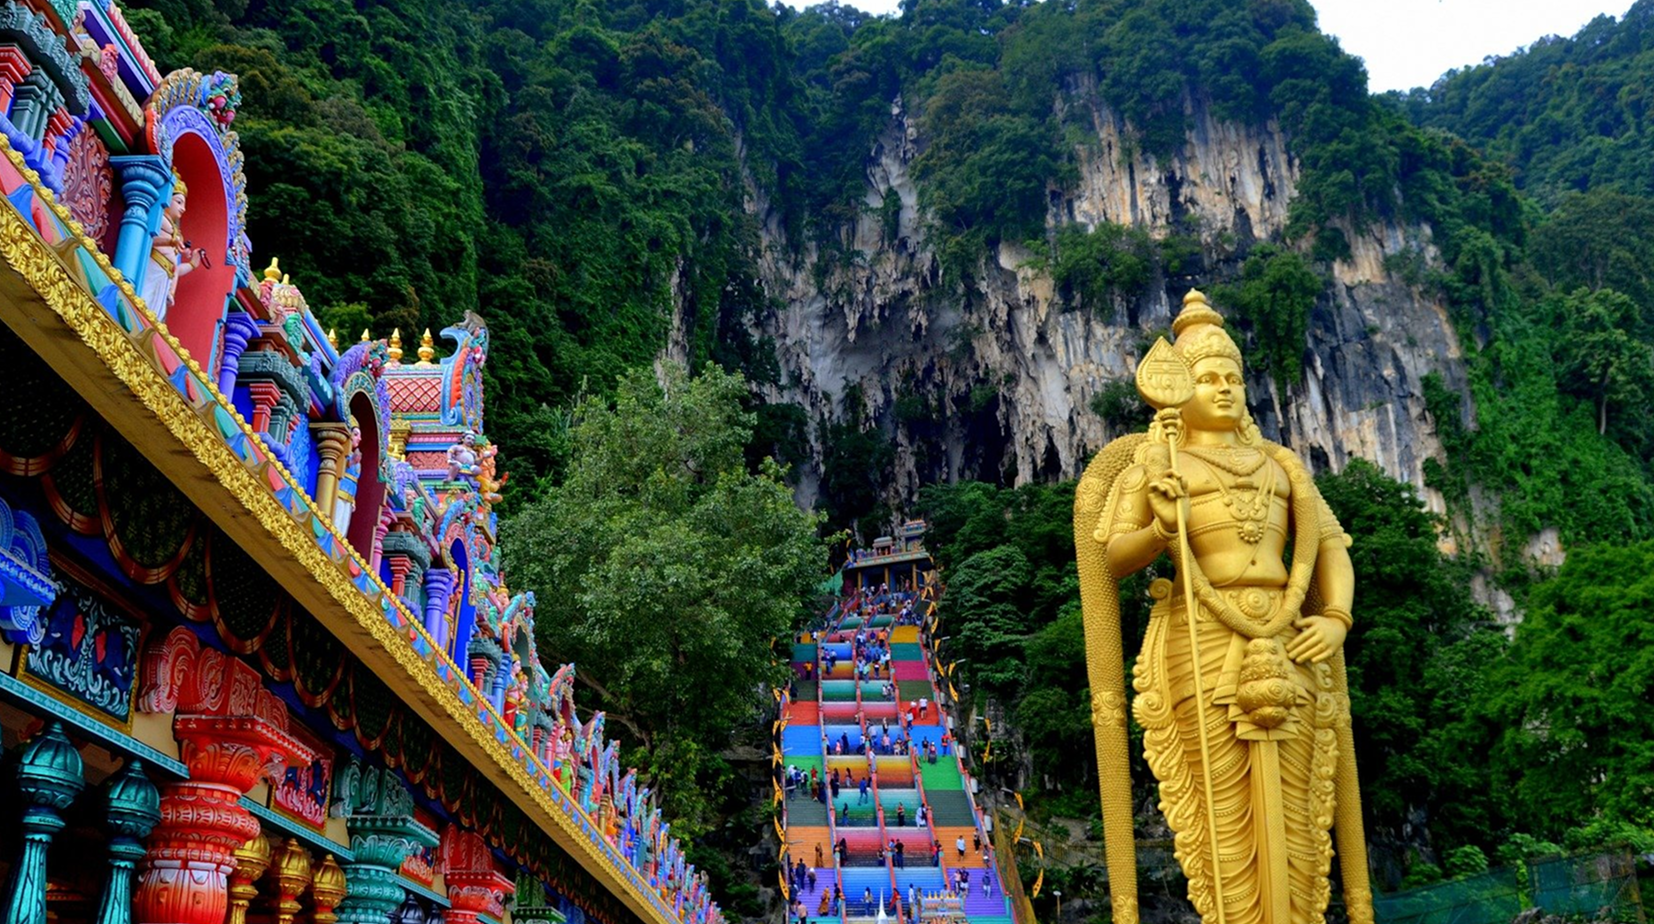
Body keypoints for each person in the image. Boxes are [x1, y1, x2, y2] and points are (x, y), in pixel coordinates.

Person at [1080, 290, 1370, 924]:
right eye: (1206, 378)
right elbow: (1112, 558)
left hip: (1290, 634)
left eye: (1233, 378)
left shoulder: (1281, 464)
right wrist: (1161, 527)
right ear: (1175, 390)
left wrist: (1336, 616)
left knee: (1299, 812)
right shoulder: (1157, 461)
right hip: (1200, 637)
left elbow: (1331, 550)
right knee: (1221, 820)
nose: (1223, 388)